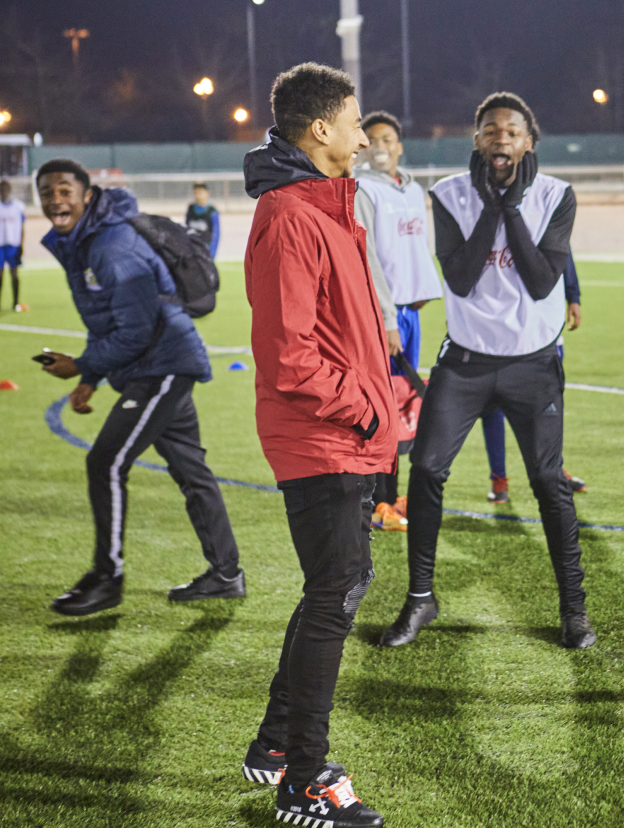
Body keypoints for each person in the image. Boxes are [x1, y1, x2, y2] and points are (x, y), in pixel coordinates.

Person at [380, 91, 595, 651]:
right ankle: (421, 599)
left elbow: (542, 280)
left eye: (513, 131)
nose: (502, 138)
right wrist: (491, 204)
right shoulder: (449, 194)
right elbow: (463, 278)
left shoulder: (556, 196)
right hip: (466, 363)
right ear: (477, 140)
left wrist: (511, 206)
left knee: (549, 483)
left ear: (529, 141)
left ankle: (573, 609)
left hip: (533, 365)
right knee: (426, 469)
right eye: (491, 130)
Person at [240, 63, 390, 828]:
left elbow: (344, 337)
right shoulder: (292, 215)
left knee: (331, 590)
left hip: (345, 435)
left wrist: (390, 395)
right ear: (320, 128)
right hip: (320, 439)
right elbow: (289, 357)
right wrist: (367, 410)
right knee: (335, 595)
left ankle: (275, 746)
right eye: (356, 120)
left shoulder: (331, 207)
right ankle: (306, 779)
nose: (365, 135)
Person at [35, 159, 244, 616]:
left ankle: (106, 579)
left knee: (105, 462)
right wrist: (90, 377)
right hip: (154, 365)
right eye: (47, 192)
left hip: (163, 364)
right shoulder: (84, 243)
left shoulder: (110, 244)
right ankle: (226, 574)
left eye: (65, 191)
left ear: (87, 196)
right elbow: (107, 318)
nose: (55, 200)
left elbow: (136, 329)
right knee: (192, 472)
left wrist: (81, 366)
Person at [352, 109, 443, 515]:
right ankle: (378, 502)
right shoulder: (361, 190)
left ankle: (390, 497)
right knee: (383, 406)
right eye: (372, 140)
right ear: (363, 147)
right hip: (383, 317)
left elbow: (418, 249)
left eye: (388, 139)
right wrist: (387, 319)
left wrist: (424, 289)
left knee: (404, 402)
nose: (381, 146)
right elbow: (368, 259)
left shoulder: (413, 189)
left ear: (400, 146)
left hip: (411, 314)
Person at [482, 251, 585, 504]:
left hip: (545, 330)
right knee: (493, 406)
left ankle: (555, 470)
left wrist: (573, 294)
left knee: (549, 407)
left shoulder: (547, 211)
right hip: (500, 329)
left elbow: (562, 249)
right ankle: (499, 477)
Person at [0, 179, 25, 310]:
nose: (3, 192)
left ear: (9, 190)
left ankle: (16, 302)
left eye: (5, 189)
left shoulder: (18, 207)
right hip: (0, 246)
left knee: (14, 274)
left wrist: (21, 245)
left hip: (13, 245)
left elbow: (22, 227)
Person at [185, 182, 221, 259]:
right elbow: (186, 229)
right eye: (196, 193)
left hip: (205, 250)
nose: (198, 195)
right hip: (192, 250)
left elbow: (216, 234)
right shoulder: (190, 209)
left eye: (200, 193)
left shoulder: (212, 212)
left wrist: (212, 254)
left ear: (206, 193)